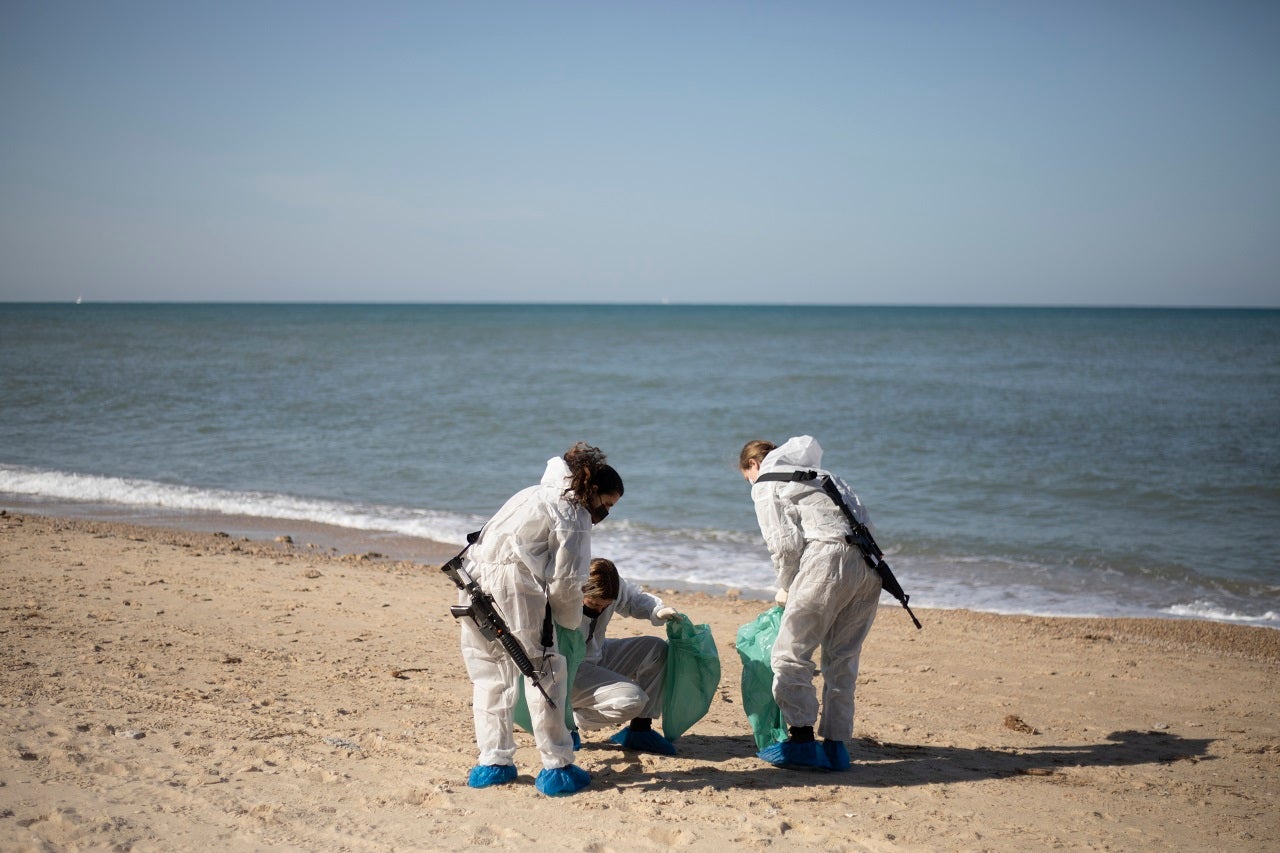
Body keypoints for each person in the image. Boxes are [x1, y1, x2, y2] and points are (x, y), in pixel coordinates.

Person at [458, 442, 623, 796]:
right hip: (513, 589)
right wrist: (567, 627)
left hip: (470, 579)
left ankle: (493, 762)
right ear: (592, 492)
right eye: (606, 505)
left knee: (490, 673)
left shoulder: (530, 494)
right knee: (544, 672)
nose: (604, 513)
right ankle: (557, 766)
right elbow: (567, 581)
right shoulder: (573, 513)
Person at [738, 435, 882, 771]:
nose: (750, 484)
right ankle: (836, 748)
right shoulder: (824, 476)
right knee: (842, 659)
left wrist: (786, 589)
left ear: (754, 466)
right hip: (870, 567)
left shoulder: (765, 482)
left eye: (747, 477)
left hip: (828, 561)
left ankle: (801, 741)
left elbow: (785, 546)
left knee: (789, 654)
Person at [570, 558, 681, 755]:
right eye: (593, 604)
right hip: (567, 668)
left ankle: (640, 730)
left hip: (596, 653)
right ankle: (567, 722)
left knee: (656, 649)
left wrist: (657, 610)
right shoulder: (564, 590)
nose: (599, 610)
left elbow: (633, 600)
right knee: (632, 700)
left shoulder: (614, 586)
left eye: (605, 606)